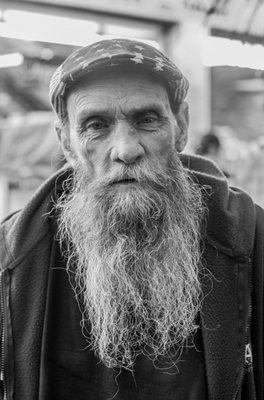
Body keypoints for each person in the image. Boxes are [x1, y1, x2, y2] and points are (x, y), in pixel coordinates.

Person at [0, 38, 263, 400]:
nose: (125, 150)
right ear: (66, 142)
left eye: (147, 120)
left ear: (181, 126)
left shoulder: (252, 242)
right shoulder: (12, 259)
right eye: (95, 125)